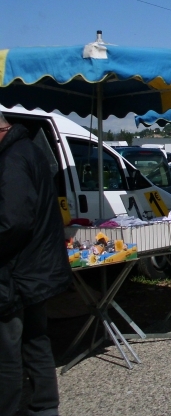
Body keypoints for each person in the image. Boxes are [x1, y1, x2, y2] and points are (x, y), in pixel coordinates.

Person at [0, 112, 72, 416]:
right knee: (35, 340)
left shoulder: (13, 159)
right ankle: (44, 406)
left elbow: (13, 222)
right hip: (35, 268)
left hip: (17, 271)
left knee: (7, 352)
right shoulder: (31, 150)